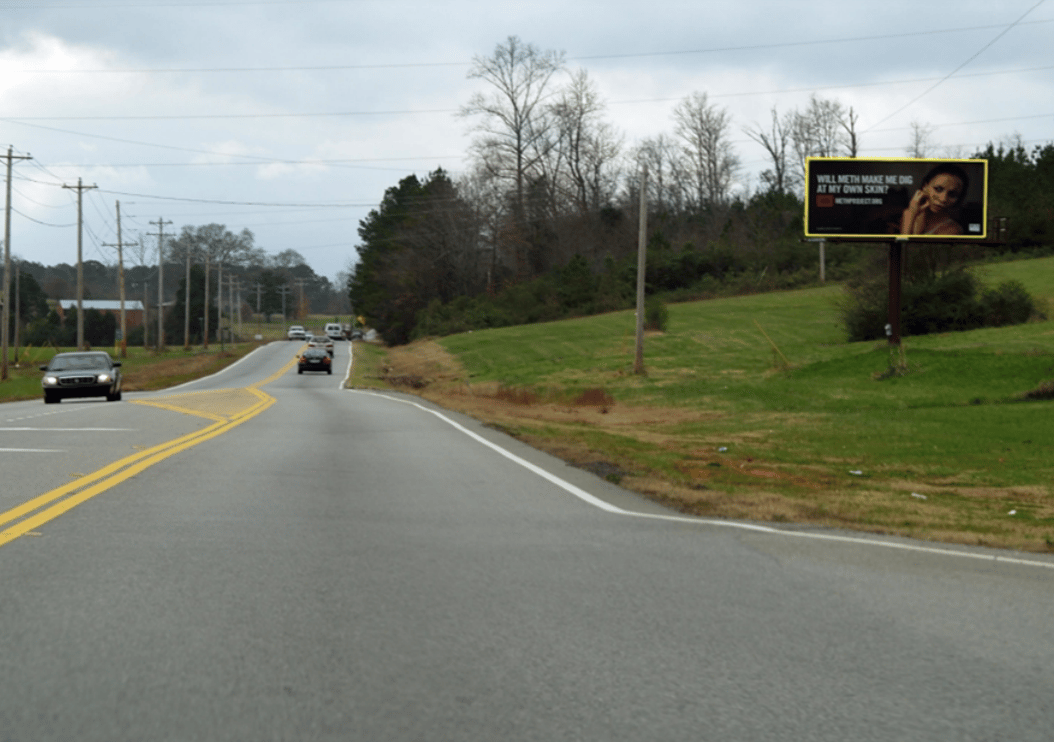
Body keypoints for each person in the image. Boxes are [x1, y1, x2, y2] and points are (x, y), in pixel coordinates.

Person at [899, 163, 969, 235]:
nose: (943, 199)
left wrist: (910, 214)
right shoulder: (912, 214)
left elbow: (906, 245)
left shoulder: (953, 230)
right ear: (925, 187)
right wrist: (911, 213)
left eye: (952, 194)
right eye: (938, 189)